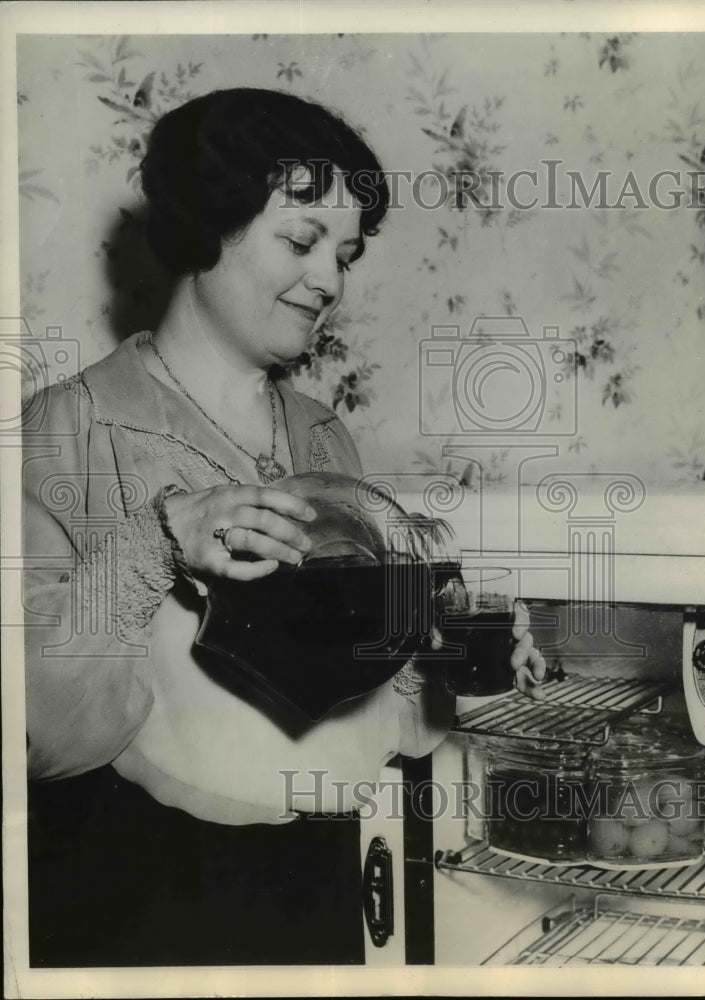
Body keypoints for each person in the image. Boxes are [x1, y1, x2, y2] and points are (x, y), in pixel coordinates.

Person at [23, 88, 547, 967]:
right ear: (203, 226)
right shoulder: (66, 429)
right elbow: (33, 736)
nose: (331, 281)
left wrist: (447, 657)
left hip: (330, 871)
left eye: (344, 255)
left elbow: (350, 703)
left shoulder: (321, 433)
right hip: (140, 889)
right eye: (301, 243)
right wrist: (156, 541)